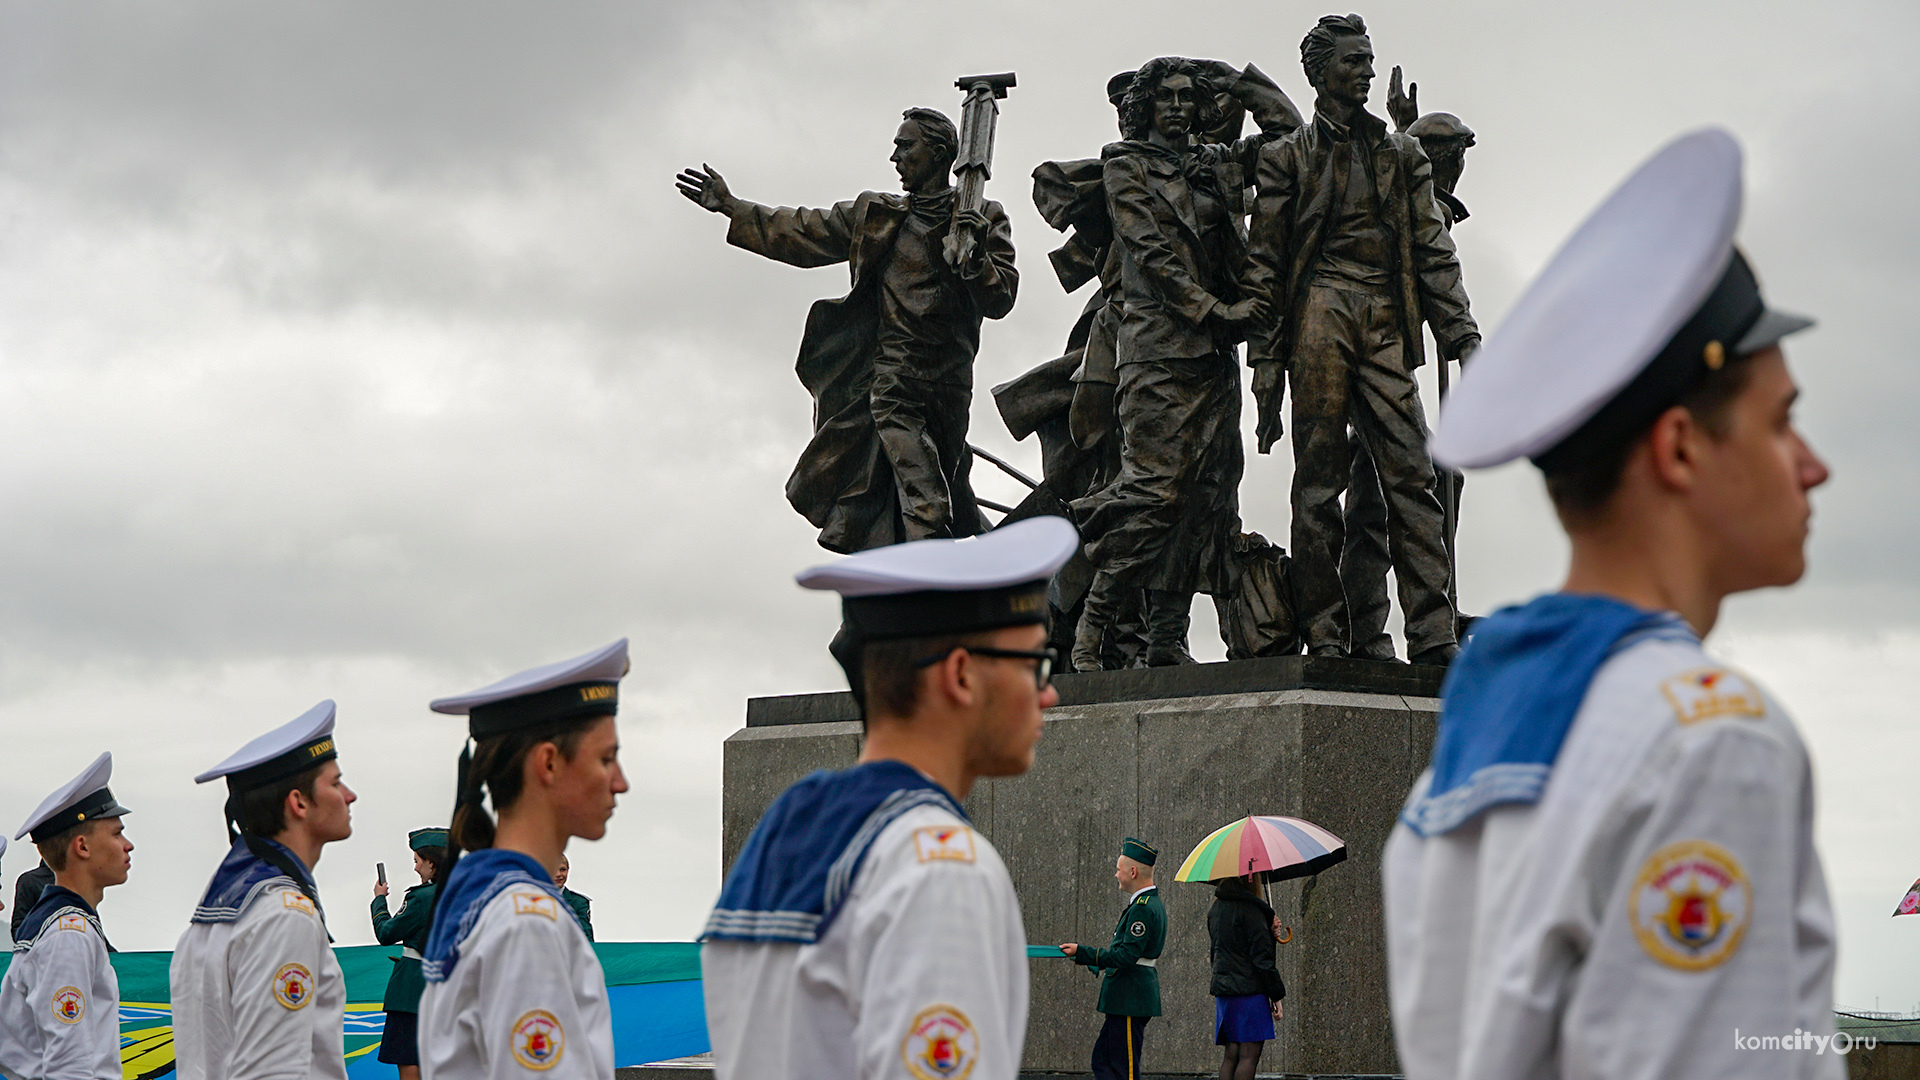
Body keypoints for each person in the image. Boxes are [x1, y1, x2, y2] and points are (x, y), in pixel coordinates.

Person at [1383, 128, 1838, 1078]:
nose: (1812, 466)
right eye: (1781, 422)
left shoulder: (1465, 754)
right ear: (1678, 449)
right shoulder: (1711, 744)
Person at [701, 515, 1079, 1080]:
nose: (1048, 693)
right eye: (1035, 663)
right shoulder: (941, 869)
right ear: (961, 675)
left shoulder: (787, 825)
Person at [1245, 13, 1479, 666]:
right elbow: (1264, 266)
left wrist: (1462, 334)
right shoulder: (1287, 156)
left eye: (1370, 60)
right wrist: (1265, 369)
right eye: (1354, 62)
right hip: (1320, 309)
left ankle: (1432, 636)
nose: (1367, 72)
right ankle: (1326, 631)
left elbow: (1433, 250)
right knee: (1318, 484)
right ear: (1321, 73)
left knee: (1412, 474)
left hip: (1382, 315)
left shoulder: (1402, 154)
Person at [675, 107, 1017, 554]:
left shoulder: (980, 215)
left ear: (937, 153)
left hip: (951, 387)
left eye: (904, 145)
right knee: (927, 504)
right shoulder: (875, 214)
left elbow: (1002, 299)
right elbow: (804, 230)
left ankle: (908, 598)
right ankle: (933, 598)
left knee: (943, 498)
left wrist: (975, 263)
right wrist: (734, 208)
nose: (894, 157)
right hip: (894, 383)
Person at [1074, 58, 1300, 670]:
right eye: (1165, 97)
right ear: (1146, 107)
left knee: (1208, 499)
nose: (1176, 106)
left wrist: (1240, 81)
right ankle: (1091, 629)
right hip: (1156, 352)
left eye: (1186, 97)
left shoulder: (1219, 162)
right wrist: (1211, 311)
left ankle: (1166, 640)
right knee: (1155, 493)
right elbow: (1148, 250)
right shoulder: (1125, 164)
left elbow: (1290, 140)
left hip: (1213, 360)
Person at [418, 639, 631, 1080]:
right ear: (549, 764)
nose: (620, 782)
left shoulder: (487, 898)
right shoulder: (527, 923)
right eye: (606, 759)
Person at [172, 701, 356, 1080]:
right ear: (299, 802)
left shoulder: (213, 917)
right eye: (336, 783)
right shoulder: (285, 916)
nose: (349, 795)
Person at [0, 753, 134, 1080]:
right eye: (116, 833)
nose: (127, 845)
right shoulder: (67, 937)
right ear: (82, 847)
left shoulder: (66, 928)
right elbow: (69, 1068)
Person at [1061, 838, 1167, 1080]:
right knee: (1103, 1061)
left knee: (1123, 1068)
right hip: (1126, 997)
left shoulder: (1142, 907)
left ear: (1132, 871)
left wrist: (1083, 952)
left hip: (1130, 996)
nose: (1116, 875)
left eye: (1119, 869)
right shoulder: (1145, 904)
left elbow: (1126, 956)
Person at [371, 828, 449, 1080]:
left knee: (409, 1060)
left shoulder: (422, 898)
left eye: (417, 861)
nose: (416, 868)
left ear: (431, 862)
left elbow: (386, 933)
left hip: (412, 992)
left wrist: (379, 901)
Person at [1207, 875, 1285, 1080]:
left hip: (1225, 992)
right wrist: (1276, 995)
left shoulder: (1216, 908)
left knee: (1231, 1055)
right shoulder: (1252, 910)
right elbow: (1262, 959)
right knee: (1249, 1056)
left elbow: (1226, 949)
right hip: (1249, 993)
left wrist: (1269, 932)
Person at [10, 857, 55, 942]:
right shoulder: (30, 880)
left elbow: (18, 931)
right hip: (40, 950)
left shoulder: (29, 879)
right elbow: (19, 931)